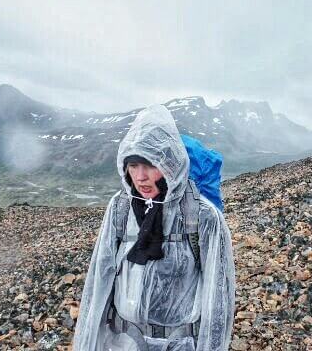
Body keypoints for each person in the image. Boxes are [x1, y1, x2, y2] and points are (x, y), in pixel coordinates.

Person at [73, 104, 235, 351]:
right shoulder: (120, 208)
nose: (140, 177)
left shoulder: (202, 215)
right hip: (124, 342)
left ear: (170, 165)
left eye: (150, 165)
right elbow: (99, 280)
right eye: (133, 166)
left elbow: (218, 297)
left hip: (180, 343)